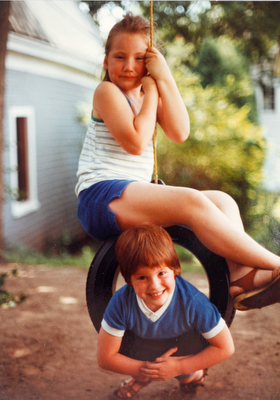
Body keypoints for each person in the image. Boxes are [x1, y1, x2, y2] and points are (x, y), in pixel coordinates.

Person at [75, 13, 280, 311]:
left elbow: (180, 131)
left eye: (139, 57)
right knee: (190, 200)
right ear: (106, 61)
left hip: (129, 194)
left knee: (222, 202)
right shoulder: (106, 92)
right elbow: (135, 142)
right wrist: (152, 93)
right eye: (119, 57)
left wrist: (165, 78)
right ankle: (274, 262)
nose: (129, 66)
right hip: (101, 196)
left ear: (151, 61)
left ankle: (240, 279)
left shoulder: (145, 97)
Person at [97, 224, 235, 398]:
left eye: (162, 273)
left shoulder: (194, 302)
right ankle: (140, 378)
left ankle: (196, 374)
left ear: (174, 270)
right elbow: (105, 357)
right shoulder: (121, 302)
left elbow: (226, 347)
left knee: (186, 377)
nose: (154, 285)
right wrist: (149, 371)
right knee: (130, 357)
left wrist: (180, 368)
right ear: (129, 280)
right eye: (142, 277)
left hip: (182, 350)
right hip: (141, 351)